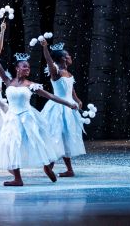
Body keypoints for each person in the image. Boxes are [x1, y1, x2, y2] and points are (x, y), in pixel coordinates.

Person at [0, 38, 77, 186]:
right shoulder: (8, 81)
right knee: (12, 144)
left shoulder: (31, 85)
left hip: (27, 117)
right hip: (12, 118)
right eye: (24, 67)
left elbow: (50, 96)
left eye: (28, 68)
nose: (27, 69)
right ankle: (18, 178)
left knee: (36, 142)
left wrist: (69, 103)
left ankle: (46, 166)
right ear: (17, 68)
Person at [40, 38, 86, 177]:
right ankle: (49, 166)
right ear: (62, 58)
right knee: (57, 135)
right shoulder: (56, 72)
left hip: (70, 108)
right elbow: (49, 61)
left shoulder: (69, 73)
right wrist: (45, 48)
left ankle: (69, 169)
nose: (70, 57)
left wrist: (77, 100)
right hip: (57, 107)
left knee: (67, 136)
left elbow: (71, 90)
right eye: (68, 56)